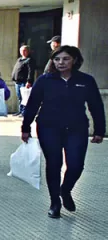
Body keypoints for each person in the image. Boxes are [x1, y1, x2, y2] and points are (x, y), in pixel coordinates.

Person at [22, 45, 105, 218]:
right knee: (54, 164)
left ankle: (65, 190)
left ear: (75, 60)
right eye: (57, 59)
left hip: (77, 128)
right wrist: (26, 127)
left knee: (76, 165)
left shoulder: (86, 80)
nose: (61, 62)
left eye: (66, 59)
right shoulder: (45, 80)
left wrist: (99, 130)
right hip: (48, 127)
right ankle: (55, 202)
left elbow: (96, 106)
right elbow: (32, 104)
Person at [10, 45, 35, 116]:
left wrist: (29, 81)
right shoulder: (19, 59)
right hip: (17, 82)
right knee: (20, 97)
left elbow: (31, 72)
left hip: (24, 82)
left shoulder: (29, 60)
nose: (23, 52)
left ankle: (24, 111)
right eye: (21, 51)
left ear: (28, 51)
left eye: (24, 50)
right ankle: (20, 111)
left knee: (25, 98)